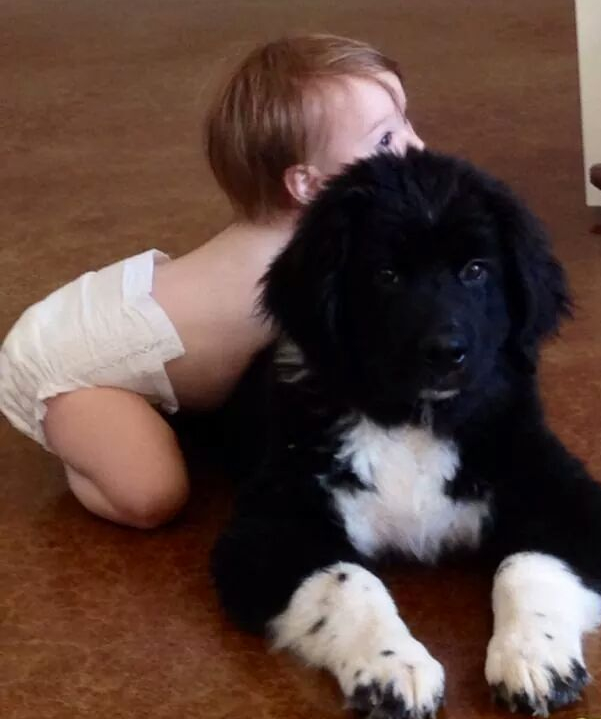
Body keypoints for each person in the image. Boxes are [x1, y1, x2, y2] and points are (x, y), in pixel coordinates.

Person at [0, 34, 423, 529]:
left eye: (406, 122)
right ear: (307, 184)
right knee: (154, 495)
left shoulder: (309, 231)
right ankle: (80, 453)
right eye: (386, 140)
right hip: (71, 370)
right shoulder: (303, 262)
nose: (415, 145)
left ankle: (140, 410)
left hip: (126, 311)